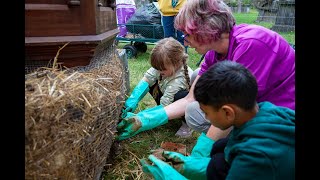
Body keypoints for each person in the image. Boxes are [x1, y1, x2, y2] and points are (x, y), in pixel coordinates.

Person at [116, 0, 295, 146]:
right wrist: (144, 119)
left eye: (187, 34)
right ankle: (231, 137)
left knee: (197, 113)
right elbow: (189, 99)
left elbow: (234, 106)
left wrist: (203, 149)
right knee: (195, 96)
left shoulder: (251, 44)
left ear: (205, 30)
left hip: (283, 111)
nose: (184, 40)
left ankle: (243, 140)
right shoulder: (213, 53)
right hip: (254, 106)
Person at [140, 61, 295, 180]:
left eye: (206, 112)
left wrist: (172, 177)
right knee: (220, 147)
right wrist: (195, 166)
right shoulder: (265, 110)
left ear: (227, 112)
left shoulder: (256, 157)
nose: (206, 118)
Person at [118, 37, 194, 140]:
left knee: (180, 96)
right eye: (156, 68)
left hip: (181, 103)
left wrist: (141, 119)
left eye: (161, 69)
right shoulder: (162, 67)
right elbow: (147, 79)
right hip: (167, 94)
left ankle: (187, 125)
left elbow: (165, 103)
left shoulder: (180, 79)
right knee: (149, 83)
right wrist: (131, 101)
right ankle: (160, 113)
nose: (158, 71)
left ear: (176, 64)